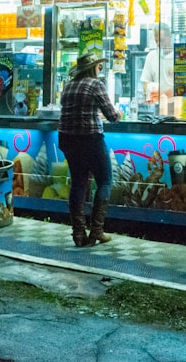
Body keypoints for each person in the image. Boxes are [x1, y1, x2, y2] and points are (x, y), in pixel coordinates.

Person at [58, 52, 120, 247]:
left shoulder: (68, 86)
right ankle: (97, 231)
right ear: (93, 68)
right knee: (105, 181)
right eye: (98, 67)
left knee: (78, 182)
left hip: (67, 139)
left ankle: (78, 234)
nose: (99, 70)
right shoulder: (95, 85)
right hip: (90, 139)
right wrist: (118, 115)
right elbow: (111, 115)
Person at [140, 23, 174, 103]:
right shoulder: (151, 56)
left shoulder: (180, 56)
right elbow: (146, 81)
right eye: (156, 41)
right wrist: (148, 95)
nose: (158, 44)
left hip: (176, 105)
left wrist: (162, 95)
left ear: (170, 36)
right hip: (157, 106)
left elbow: (183, 87)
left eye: (162, 40)